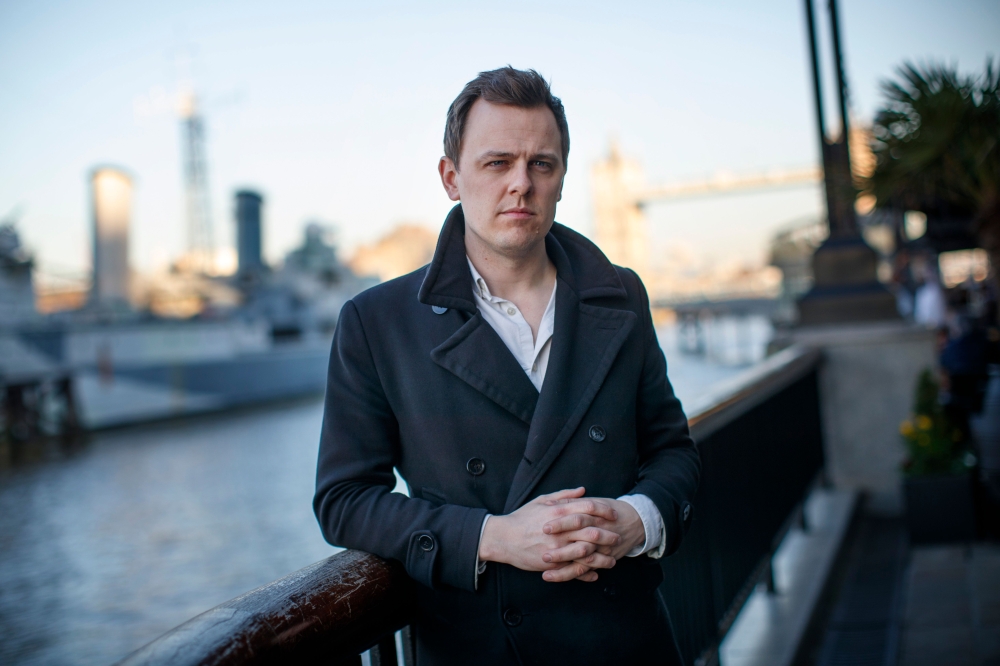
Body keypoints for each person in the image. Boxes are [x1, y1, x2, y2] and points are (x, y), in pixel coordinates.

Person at [314, 66, 700, 665]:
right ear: (452, 177)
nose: (521, 184)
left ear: (562, 178)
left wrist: (637, 519)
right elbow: (343, 499)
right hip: (480, 647)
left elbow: (673, 450)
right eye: (497, 163)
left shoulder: (621, 296)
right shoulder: (377, 321)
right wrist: (492, 538)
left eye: (541, 164)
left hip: (626, 640)